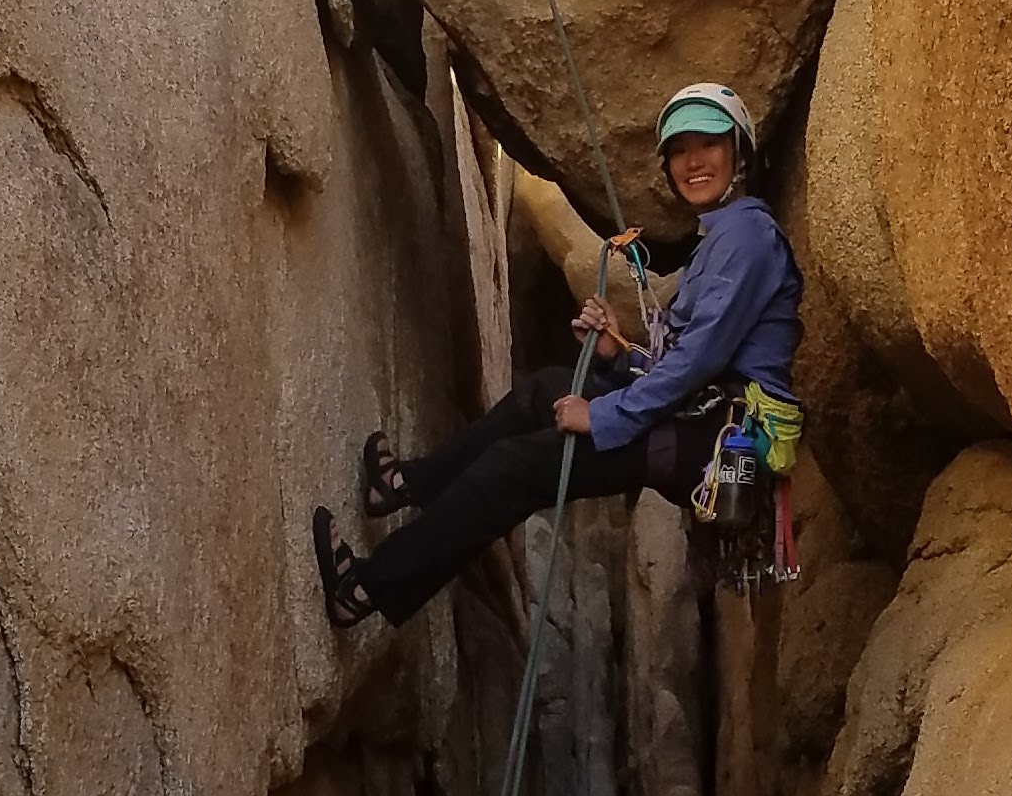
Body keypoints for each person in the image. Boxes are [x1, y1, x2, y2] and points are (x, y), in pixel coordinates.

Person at [313, 81, 802, 631]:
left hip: (709, 441)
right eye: (680, 151)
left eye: (708, 146)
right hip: (696, 424)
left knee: (514, 471)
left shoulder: (749, 236)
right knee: (546, 390)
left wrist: (603, 413)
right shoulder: (721, 237)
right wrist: (620, 354)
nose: (693, 162)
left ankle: (364, 591)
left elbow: (700, 363)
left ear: (738, 151)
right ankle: (405, 485)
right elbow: (685, 360)